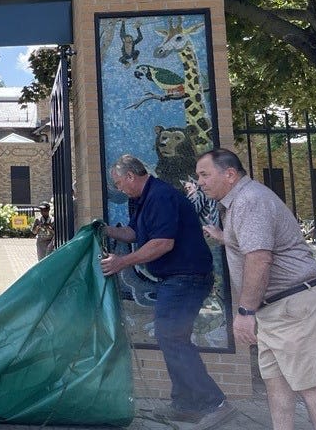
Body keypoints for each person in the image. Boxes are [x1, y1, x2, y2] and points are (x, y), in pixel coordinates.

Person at [100, 154, 235, 427]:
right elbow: (134, 234)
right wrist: (103, 230)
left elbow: (162, 243)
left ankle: (215, 403)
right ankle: (186, 405)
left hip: (187, 277)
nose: (118, 188)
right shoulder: (139, 198)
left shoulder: (161, 196)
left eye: (119, 182)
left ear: (130, 176)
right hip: (175, 278)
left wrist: (121, 262)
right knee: (172, 337)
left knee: (170, 335)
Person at [196, 148, 316, 430]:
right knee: (276, 384)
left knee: (311, 386)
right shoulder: (240, 201)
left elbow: (259, 257)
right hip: (277, 309)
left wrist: (245, 311)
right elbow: (251, 243)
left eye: (205, 175)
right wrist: (225, 237)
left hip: (293, 306)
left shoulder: (249, 201)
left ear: (229, 174)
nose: (200, 182)